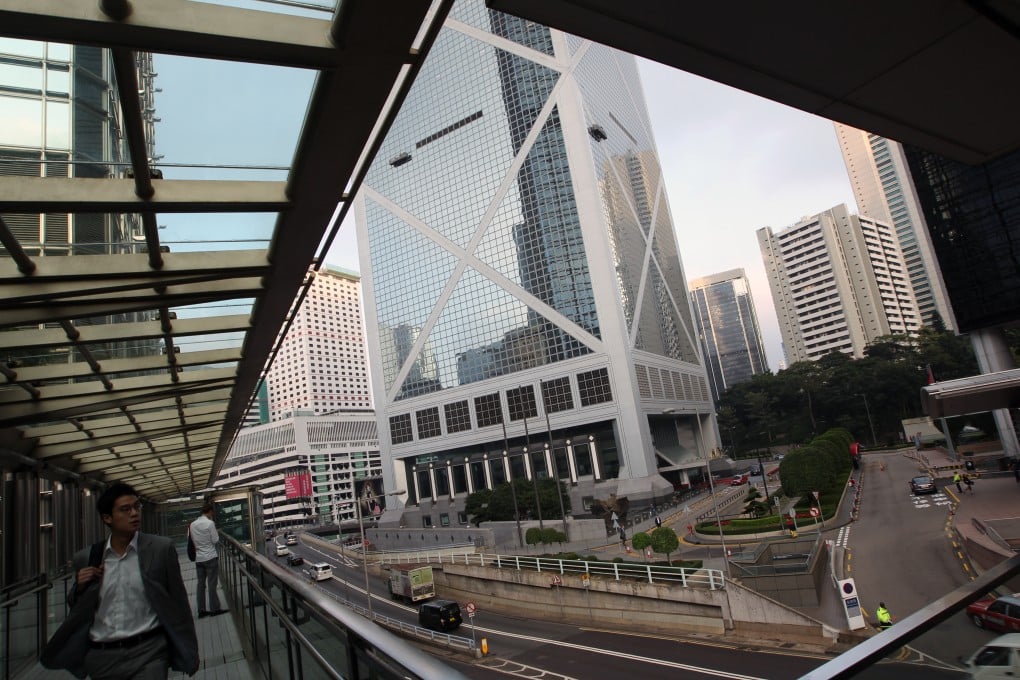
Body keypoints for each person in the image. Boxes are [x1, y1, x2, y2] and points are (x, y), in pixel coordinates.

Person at [45, 482, 199, 678]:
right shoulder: (88, 558)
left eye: (137, 507)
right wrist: (80, 588)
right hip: (102, 657)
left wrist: (190, 651)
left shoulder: (160, 549)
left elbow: (178, 603)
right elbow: (78, 610)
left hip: (149, 651)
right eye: (125, 509)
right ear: (107, 518)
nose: (134, 513)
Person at [190, 503, 226, 618]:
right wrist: (216, 531)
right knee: (212, 584)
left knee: (200, 584)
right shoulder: (210, 523)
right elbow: (215, 540)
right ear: (209, 511)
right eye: (212, 512)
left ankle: (201, 610)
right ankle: (215, 609)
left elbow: (193, 540)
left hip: (199, 558)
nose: (213, 514)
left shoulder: (192, 524)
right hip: (210, 557)